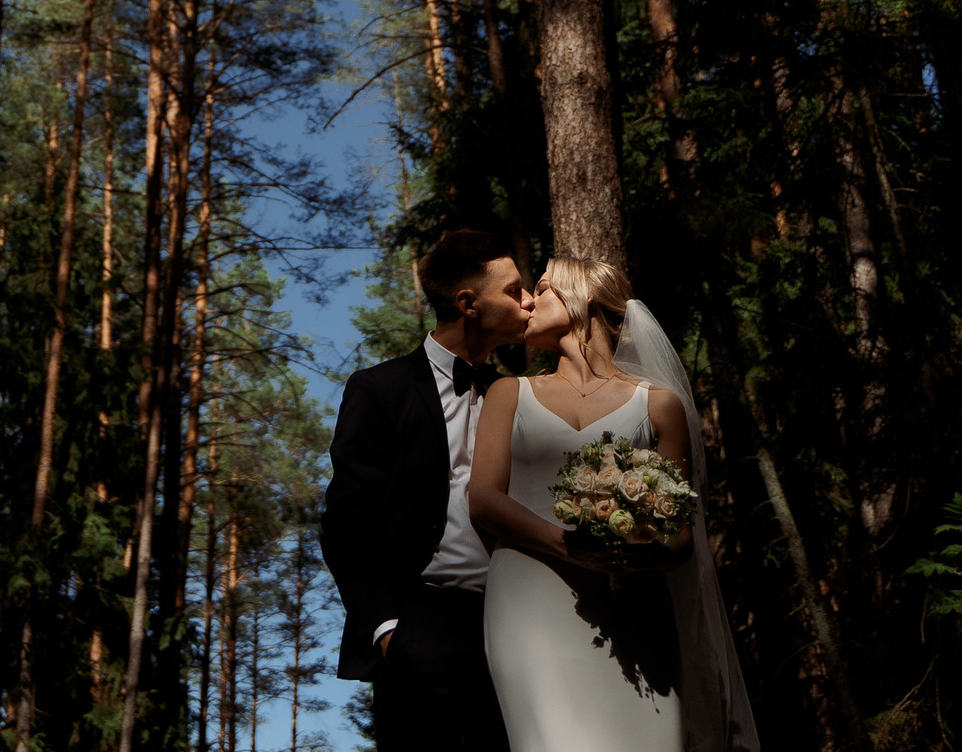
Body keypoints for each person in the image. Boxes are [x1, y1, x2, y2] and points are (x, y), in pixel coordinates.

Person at [469, 257, 760, 752]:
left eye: (541, 289)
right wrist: (568, 545)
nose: (527, 303)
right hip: (528, 607)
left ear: (582, 298)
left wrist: (639, 555)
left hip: (632, 608)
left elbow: (681, 538)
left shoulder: (657, 404)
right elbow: (483, 501)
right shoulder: (508, 392)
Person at [320, 228, 532, 752]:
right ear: (468, 303)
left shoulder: (518, 398)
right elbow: (346, 522)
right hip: (420, 626)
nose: (528, 302)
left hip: (515, 626)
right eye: (513, 290)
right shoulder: (380, 390)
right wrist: (389, 629)